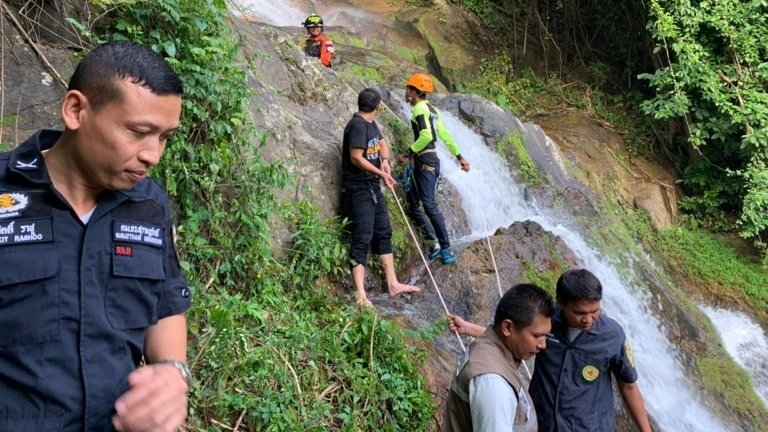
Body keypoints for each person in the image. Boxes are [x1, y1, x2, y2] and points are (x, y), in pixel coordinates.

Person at [0, 41, 192, 432]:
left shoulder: (148, 203)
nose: (152, 154)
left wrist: (173, 373)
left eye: (165, 136)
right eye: (139, 132)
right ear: (76, 110)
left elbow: (166, 300)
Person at [449, 269, 652, 432]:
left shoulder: (612, 335)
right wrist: (468, 328)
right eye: (580, 313)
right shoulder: (546, 323)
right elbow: (514, 334)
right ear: (561, 303)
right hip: (543, 421)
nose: (588, 319)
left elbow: (628, 386)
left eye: (595, 311)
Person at [341, 87, 420, 308]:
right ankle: (360, 294)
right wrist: (381, 173)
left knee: (383, 233)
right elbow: (356, 158)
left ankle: (393, 283)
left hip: (373, 189)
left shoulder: (370, 124)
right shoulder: (357, 126)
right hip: (359, 191)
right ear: (378, 107)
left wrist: (384, 161)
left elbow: (382, 144)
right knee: (362, 238)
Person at [444, 283, 554, 431]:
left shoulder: (488, 348)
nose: (543, 345)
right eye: (536, 336)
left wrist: (468, 327)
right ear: (508, 328)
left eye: (546, 336)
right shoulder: (493, 384)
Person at [404, 73, 470, 265]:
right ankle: (434, 243)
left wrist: (408, 152)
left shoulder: (419, 110)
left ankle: (446, 248)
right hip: (426, 162)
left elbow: (425, 135)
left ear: (415, 92)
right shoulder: (433, 111)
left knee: (428, 205)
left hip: (426, 163)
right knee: (413, 204)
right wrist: (460, 157)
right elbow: (445, 136)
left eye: (408, 88)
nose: (406, 91)